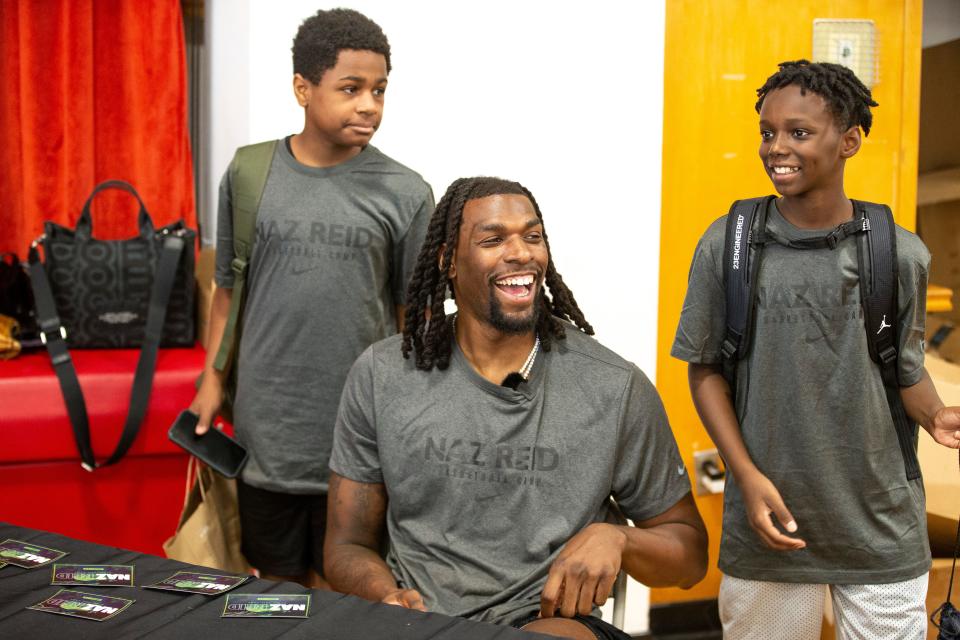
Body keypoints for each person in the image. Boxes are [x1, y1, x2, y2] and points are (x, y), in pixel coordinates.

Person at [324, 177, 708, 640]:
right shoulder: (382, 373)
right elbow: (346, 544)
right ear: (448, 261)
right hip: (418, 620)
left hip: (548, 623)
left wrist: (620, 538)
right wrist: (386, 596)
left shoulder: (612, 387)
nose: (522, 253)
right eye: (493, 239)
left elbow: (690, 558)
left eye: (532, 236)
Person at [672, 59, 960, 639]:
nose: (777, 147)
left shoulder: (898, 253)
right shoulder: (728, 245)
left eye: (799, 132)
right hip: (771, 521)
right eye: (767, 132)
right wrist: (745, 475)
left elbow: (903, 371)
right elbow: (706, 372)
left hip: (880, 525)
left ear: (849, 140)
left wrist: (936, 415)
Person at [188, 8, 434, 589]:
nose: (368, 105)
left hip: (357, 438)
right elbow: (228, 293)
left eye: (379, 90)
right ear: (303, 87)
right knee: (274, 586)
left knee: (346, 586)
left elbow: (414, 324)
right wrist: (212, 381)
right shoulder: (251, 173)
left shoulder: (406, 193)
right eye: (350, 89)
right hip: (266, 431)